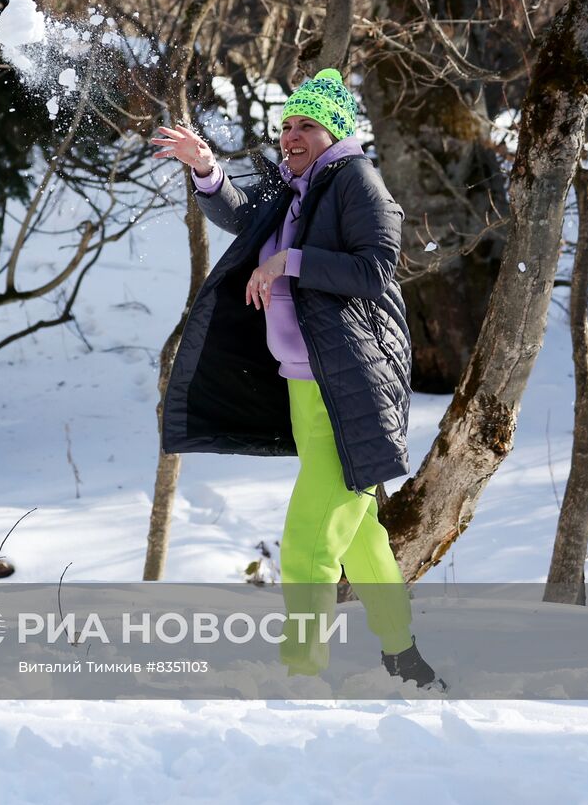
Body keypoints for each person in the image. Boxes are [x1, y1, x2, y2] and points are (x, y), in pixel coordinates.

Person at [151, 69, 444, 689]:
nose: (291, 135)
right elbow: (242, 215)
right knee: (360, 534)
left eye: (306, 125)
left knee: (309, 542)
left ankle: (299, 678)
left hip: (355, 389)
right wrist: (206, 168)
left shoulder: (355, 181)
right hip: (307, 386)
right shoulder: (298, 187)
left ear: (333, 131)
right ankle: (404, 657)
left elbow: (374, 271)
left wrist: (293, 261)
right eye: (286, 125)